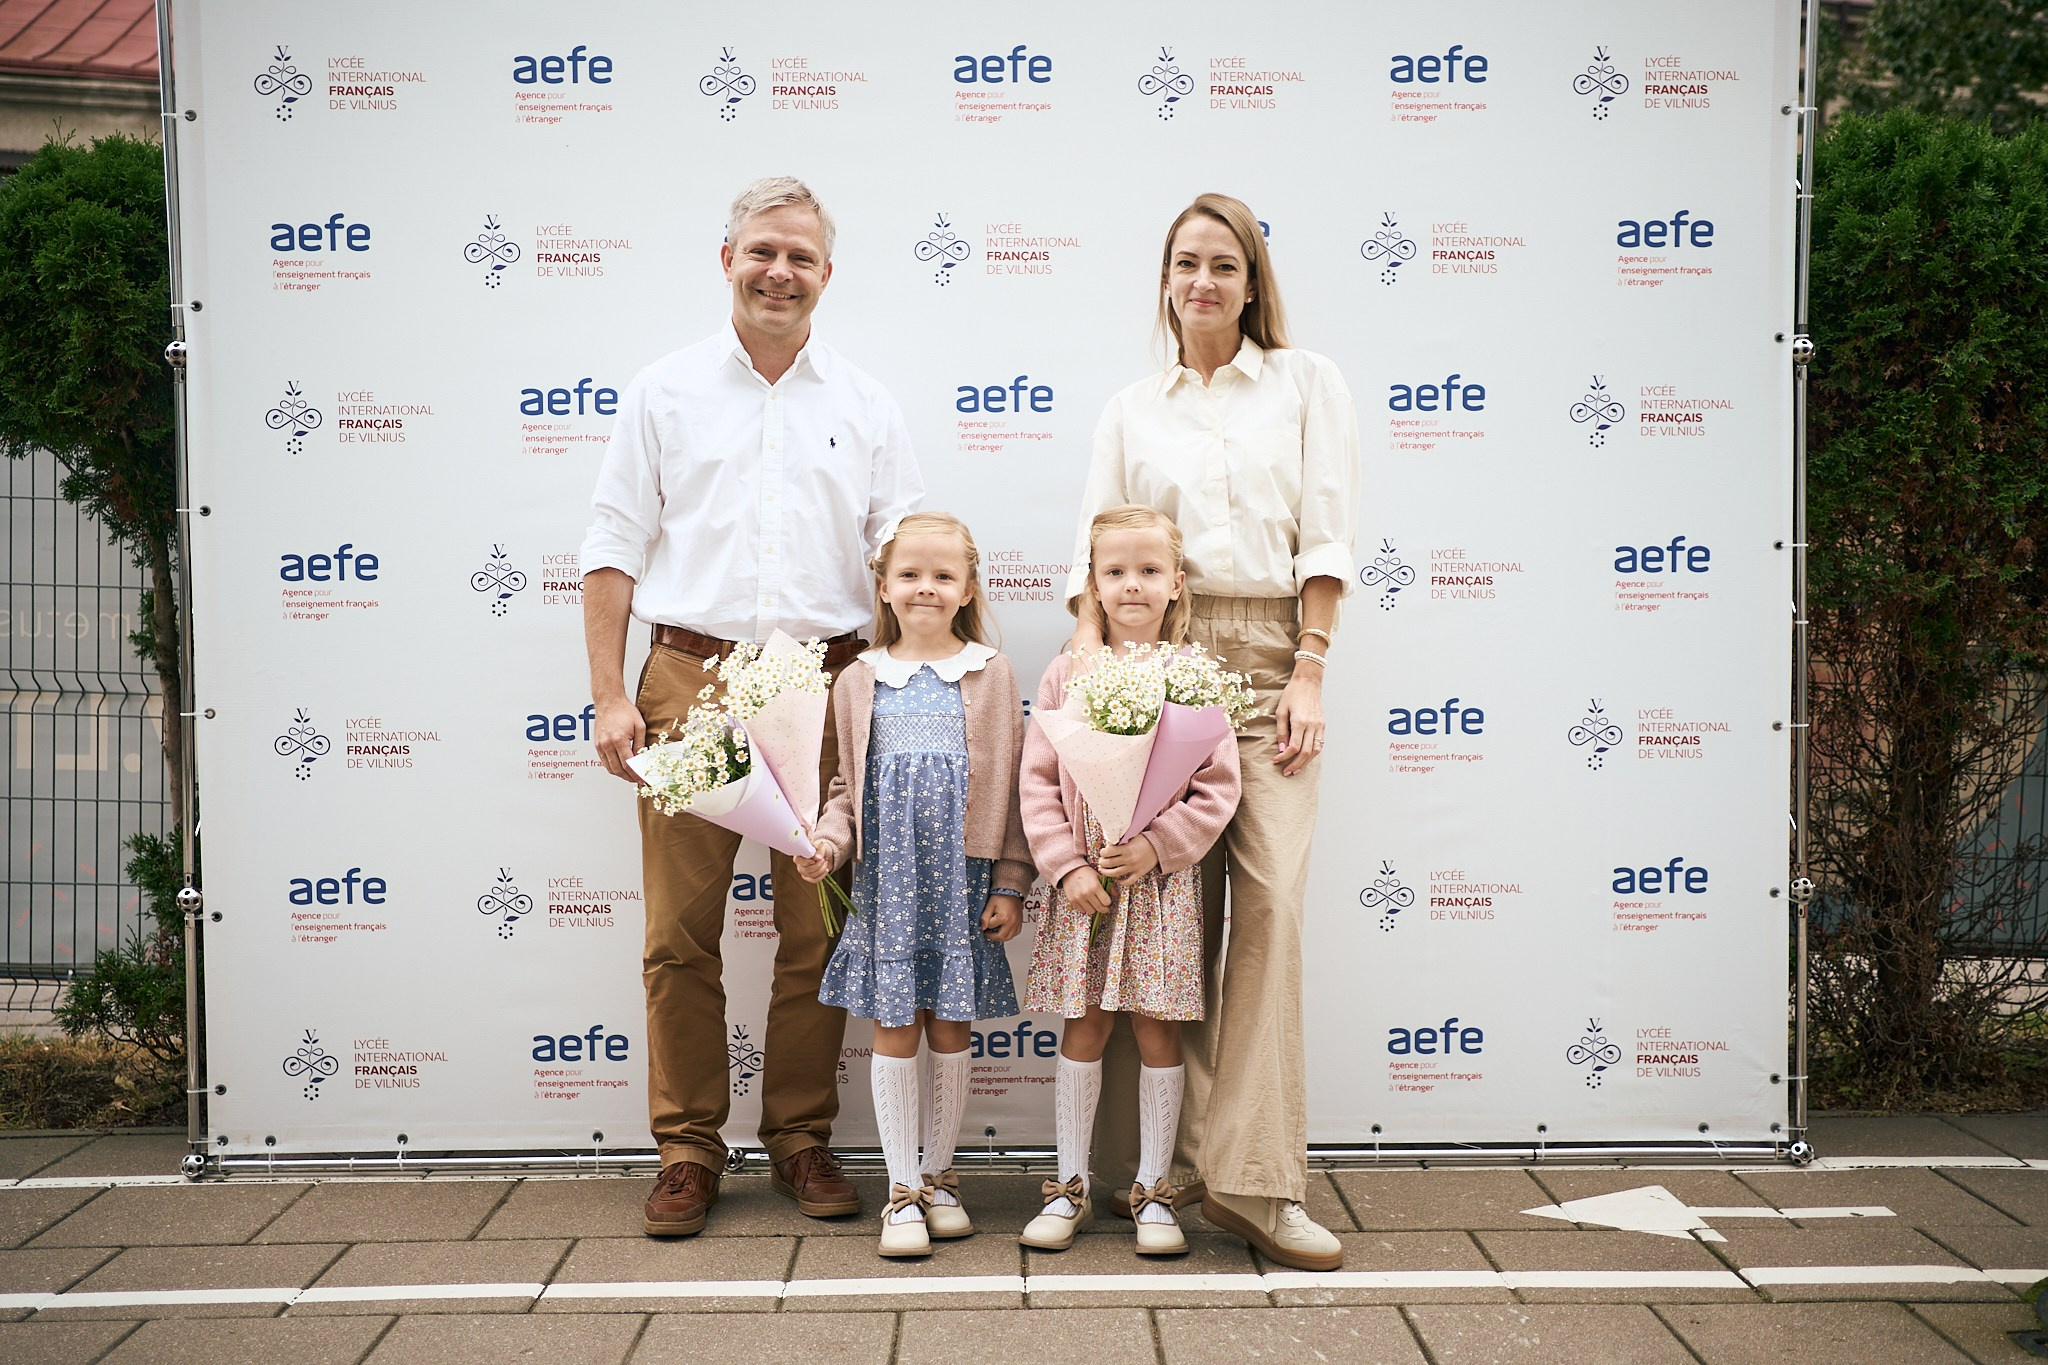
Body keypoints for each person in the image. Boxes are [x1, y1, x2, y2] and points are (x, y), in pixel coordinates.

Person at [580, 176, 922, 1238]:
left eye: (801, 258)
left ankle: (800, 1139)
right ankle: (687, 1150)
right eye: (763, 251)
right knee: (677, 935)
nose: (780, 271)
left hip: (823, 687)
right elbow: (609, 549)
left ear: (827, 275)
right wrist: (607, 696)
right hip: (688, 684)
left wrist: (898, 698)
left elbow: (903, 563)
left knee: (814, 931)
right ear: (725, 257)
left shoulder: (865, 403)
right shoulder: (662, 393)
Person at [1066, 193, 1358, 1272]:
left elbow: (1326, 535)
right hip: (1160, 665)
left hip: (1274, 657)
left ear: (1251, 282)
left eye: (1223, 265)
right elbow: (1091, 564)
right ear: (1164, 279)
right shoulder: (1129, 409)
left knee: (1270, 909)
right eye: (1185, 263)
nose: (1203, 281)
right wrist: (1101, 693)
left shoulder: (1305, 383)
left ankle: (1255, 1183)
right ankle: (1164, 1173)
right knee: (1165, 921)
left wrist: (1310, 670)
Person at [795, 511, 1033, 1258]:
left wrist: (1012, 882)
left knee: (951, 1027)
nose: (925, 587)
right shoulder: (859, 679)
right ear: (884, 586)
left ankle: (939, 1174)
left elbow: (1019, 787)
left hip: (962, 881)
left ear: (967, 588)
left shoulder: (990, 672)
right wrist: (829, 843)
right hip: (888, 882)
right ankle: (901, 1191)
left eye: (942, 575)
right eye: (910, 574)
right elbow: (843, 785)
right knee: (895, 1027)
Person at [1017, 505, 1241, 1257]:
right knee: (1083, 1024)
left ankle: (1153, 1190)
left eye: (1149, 571)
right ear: (1092, 585)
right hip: (1085, 885)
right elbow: (1038, 782)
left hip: (1159, 887)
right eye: (1115, 572)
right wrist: (1066, 865)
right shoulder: (1066, 672)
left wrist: (1157, 845)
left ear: (1177, 583)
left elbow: (1216, 788)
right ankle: (1070, 1184)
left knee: (1156, 1028)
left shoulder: (1193, 675)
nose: (1132, 585)